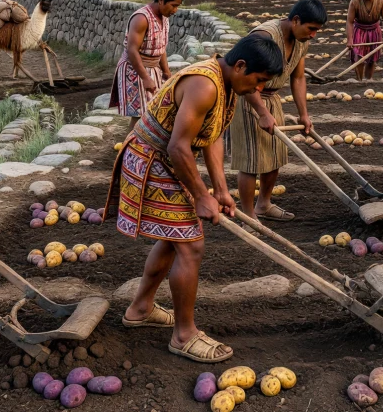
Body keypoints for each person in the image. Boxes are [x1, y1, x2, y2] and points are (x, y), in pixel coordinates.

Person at [106, 35, 284, 363]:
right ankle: (183, 335)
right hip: (152, 160)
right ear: (241, 66)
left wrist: (219, 189)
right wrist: (201, 196)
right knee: (191, 245)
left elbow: (211, 136)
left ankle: (140, 308)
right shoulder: (205, 85)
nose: (258, 89)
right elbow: (177, 146)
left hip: (167, 159)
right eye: (258, 81)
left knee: (176, 239)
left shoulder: (227, 85)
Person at [228, 0, 327, 220]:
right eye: (311, 29)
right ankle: (248, 216)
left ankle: (264, 204)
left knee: (274, 157)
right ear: (296, 20)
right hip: (249, 96)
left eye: (317, 31)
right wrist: (262, 113)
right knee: (251, 161)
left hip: (272, 98)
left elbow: (298, 78)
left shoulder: (302, 41)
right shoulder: (264, 37)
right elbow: (243, 76)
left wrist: (304, 114)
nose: (313, 34)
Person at [110, 0, 184, 127]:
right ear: (161, 0)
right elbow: (132, 50)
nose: (175, 10)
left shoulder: (165, 18)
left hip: (153, 68)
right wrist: (145, 77)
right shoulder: (142, 18)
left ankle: (144, 147)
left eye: (177, 6)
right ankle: (132, 147)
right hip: (135, 69)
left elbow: (160, 47)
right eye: (173, 5)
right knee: (140, 115)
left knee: (155, 112)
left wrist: (166, 72)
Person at [346, 0, 383, 81]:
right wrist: (350, 39)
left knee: (372, 59)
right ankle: (360, 80)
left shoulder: (381, 1)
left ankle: (368, 80)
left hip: (375, 30)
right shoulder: (355, 2)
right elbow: (349, 21)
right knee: (359, 57)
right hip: (360, 30)